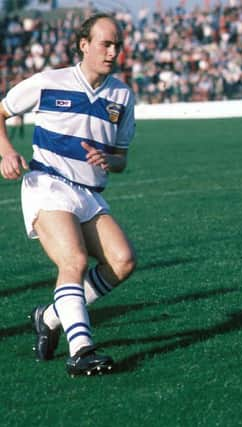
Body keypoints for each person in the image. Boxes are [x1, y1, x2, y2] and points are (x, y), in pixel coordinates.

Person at [0, 13, 137, 376]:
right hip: (47, 183)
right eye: (106, 44)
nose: (112, 52)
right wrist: (7, 152)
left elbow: (122, 160)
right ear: (84, 44)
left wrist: (110, 158)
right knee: (73, 261)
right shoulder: (50, 81)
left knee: (123, 261)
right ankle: (81, 350)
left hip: (89, 193)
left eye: (117, 45)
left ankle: (48, 317)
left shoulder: (122, 95)